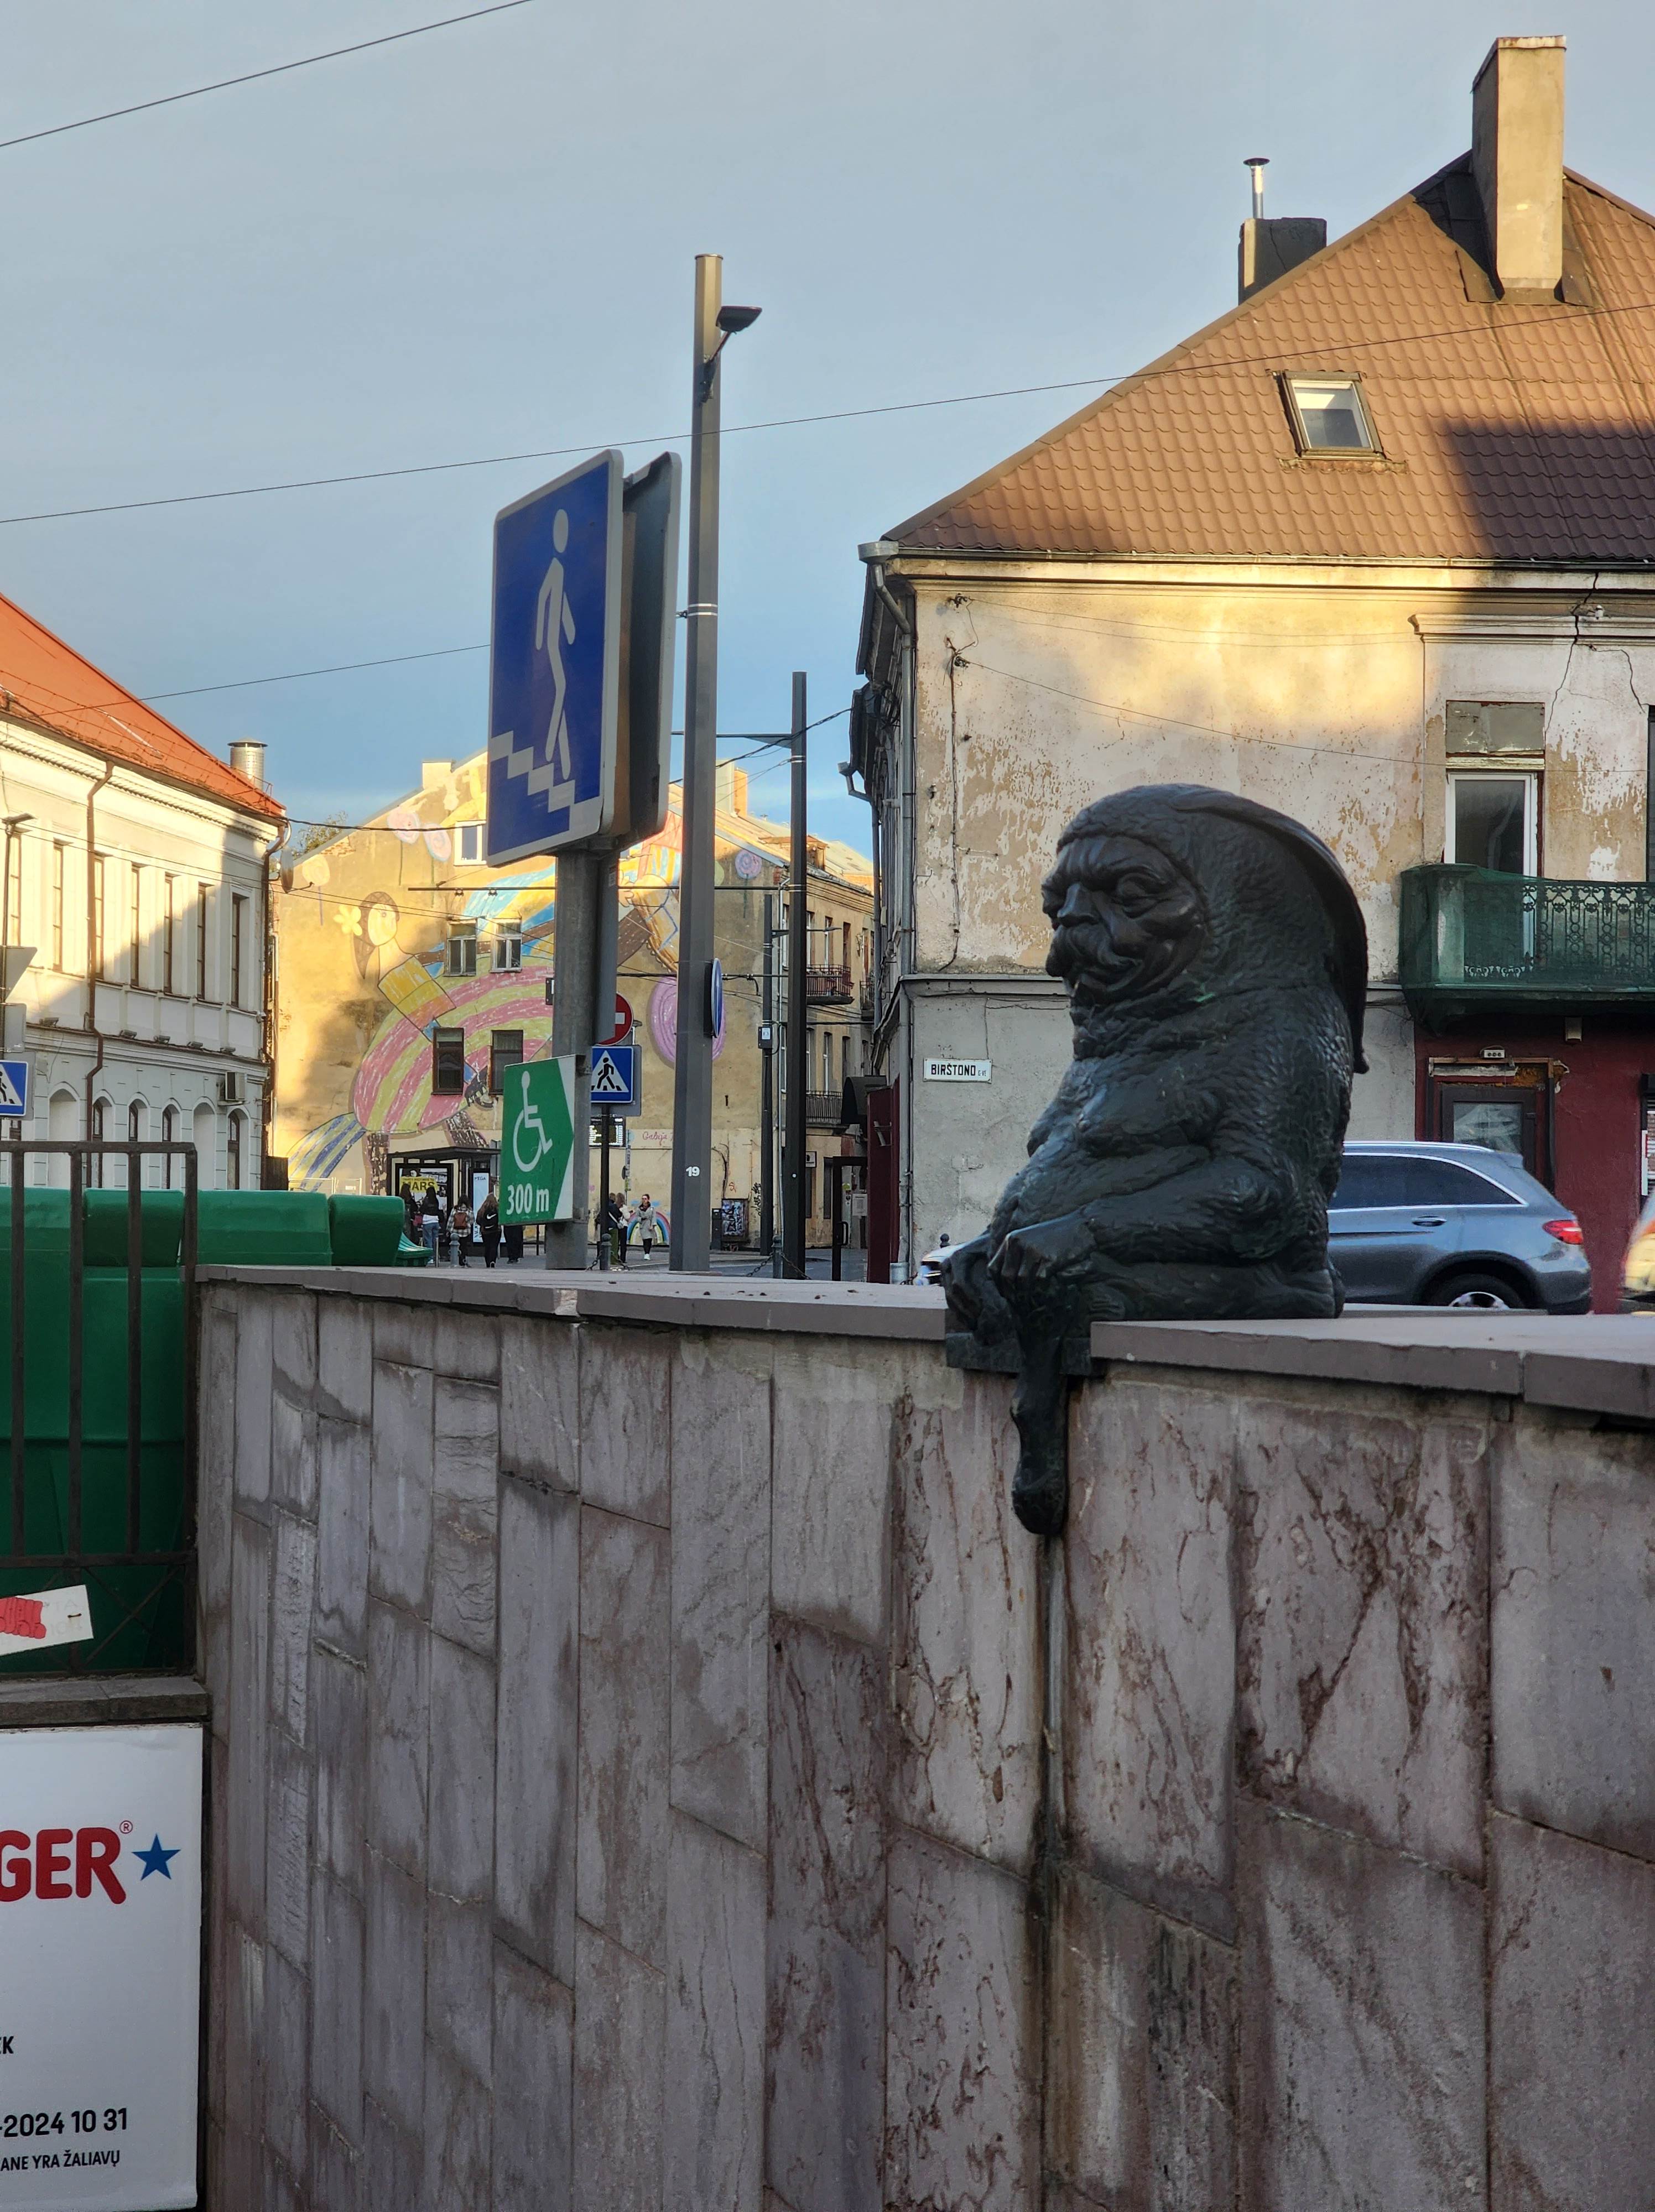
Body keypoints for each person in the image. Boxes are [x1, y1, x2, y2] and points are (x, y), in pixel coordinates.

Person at [477, 1188, 501, 1269]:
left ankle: (487, 1262)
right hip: (496, 1230)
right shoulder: (498, 1209)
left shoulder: (482, 1209)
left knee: (487, 1247)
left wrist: (483, 1226)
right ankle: (493, 1261)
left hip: (485, 1231)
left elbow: (478, 1220)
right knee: (494, 1246)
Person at [418, 1186, 441, 1261]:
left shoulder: (426, 1200)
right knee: (435, 1241)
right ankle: (436, 1257)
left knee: (428, 1240)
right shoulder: (436, 1200)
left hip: (428, 1221)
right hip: (436, 1221)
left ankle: (430, 1258)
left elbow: (422, 1210)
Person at [451, 1196, 474, 1267]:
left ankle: (455, 1260)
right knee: (464, 1247)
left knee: (455, 1246)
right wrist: (468, 1224)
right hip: (465, 1232)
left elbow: (451, 1220)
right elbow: (472, 1221)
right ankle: (463, 1261)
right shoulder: (469, 1210)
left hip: (456, 1232)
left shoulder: (455, 1209)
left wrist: (449, 1230)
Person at [635, 1194, 659, 1260]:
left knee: (649, 1240)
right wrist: (641, 1219)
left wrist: (653, 1225)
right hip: (643, 1225)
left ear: (648, 1199)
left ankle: (647, 1253)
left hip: (649, 1225)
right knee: (645, 1240)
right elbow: (637, 1217)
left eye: (645, 1199)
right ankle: (646, 1253)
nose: (644, 1200)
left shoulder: (652, 1208)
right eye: (643, 1199)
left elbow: (654, 1217)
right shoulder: (639, 1208)